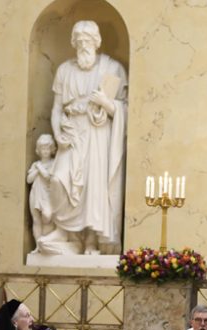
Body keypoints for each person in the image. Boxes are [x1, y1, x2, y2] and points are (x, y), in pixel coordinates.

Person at [44, 20, 127, 255]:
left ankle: (90, 240)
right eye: (79, 41)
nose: (83, 45)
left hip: (97, 134)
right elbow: (56, 108)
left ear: (97, 42)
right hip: (71, 131)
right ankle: (64, 231)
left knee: (94, 187)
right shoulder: (64, 70)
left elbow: (123, 109)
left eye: (88, 40)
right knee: (59, 179)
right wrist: (58, 133)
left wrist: (107, 104)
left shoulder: (112, 68)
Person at [27, 134, 57, 254]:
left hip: (48, 194)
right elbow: (29, 179)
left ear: (52, 149)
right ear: (38, 150)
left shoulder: (54, 163)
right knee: (36, 220)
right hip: (36, 193)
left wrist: (40, 168)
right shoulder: (36, 164)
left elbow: (48, 178)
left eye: (47, 148)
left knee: (48, 216)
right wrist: (37, 168)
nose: (45, 151)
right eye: (43, 149)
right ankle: (38, 246)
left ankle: (48, 242)